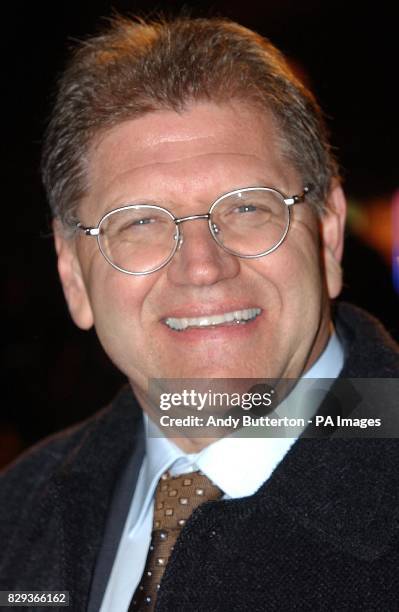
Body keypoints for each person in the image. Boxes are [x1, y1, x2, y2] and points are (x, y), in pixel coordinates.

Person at [1, 15, 398, 612]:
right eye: (138, 222)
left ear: (329, 236)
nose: (203, 267)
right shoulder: (15, 512)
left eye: (246, 208)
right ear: (72, 274)